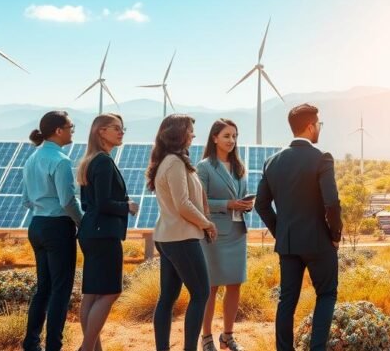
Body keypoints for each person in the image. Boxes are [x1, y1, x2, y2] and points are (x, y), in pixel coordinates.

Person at [255, 104, 342, 351]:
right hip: (319, 241)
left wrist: (280, 232)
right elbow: (332, 202)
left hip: (288, 243)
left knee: (287, 300)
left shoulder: (272, 162)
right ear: (309, 126)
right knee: (326, 295)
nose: (319, 129)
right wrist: (335, 235)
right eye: (319, 125)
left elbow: (261, 205)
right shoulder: (321, 158)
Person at [147, 114, 217, 351]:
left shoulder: (169, 161)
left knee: (167, 297)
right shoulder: (175, 163)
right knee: (201, 293)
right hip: (181, 237)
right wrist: (207, 223)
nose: (194, 135)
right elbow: (183, 204)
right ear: (178, 133)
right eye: (190, 130)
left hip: (168, 237)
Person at [76, 113, 139, 351]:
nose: (121, 132)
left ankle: (93, 348)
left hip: (91, 232)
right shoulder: (102, 161)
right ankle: (86, 347)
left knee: (91, 294)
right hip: (103, 234)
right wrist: (128, 206)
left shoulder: (90, 160)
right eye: (116, 128)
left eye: (123, 128)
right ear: (100, 131)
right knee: (110, 292)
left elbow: (88, 204)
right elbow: (103, 203)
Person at [21, 110, 82, 351]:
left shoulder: (32, 158)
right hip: (58, 227)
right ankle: (54, 346)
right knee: (60, 289)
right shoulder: (61, 160)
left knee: (43, 288)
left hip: (36, 225)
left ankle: (31, 342)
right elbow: (68, 200)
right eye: (70, 127)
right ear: (59, 130)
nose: (72, 131)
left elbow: (26, 199)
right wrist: (82, 222)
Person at [197, 119, 252, 351]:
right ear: (214, 138)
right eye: (227, 135)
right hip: (214, 233)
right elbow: (200, 202)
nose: (232, 140)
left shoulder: (240, 166)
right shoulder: (204, 167)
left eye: (235, 136)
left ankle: (227, 336)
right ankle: (207, 336)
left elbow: (241, 195)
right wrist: (228, 204)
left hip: (238, 232)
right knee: (211, 286)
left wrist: (246, 204)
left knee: (235, 285)